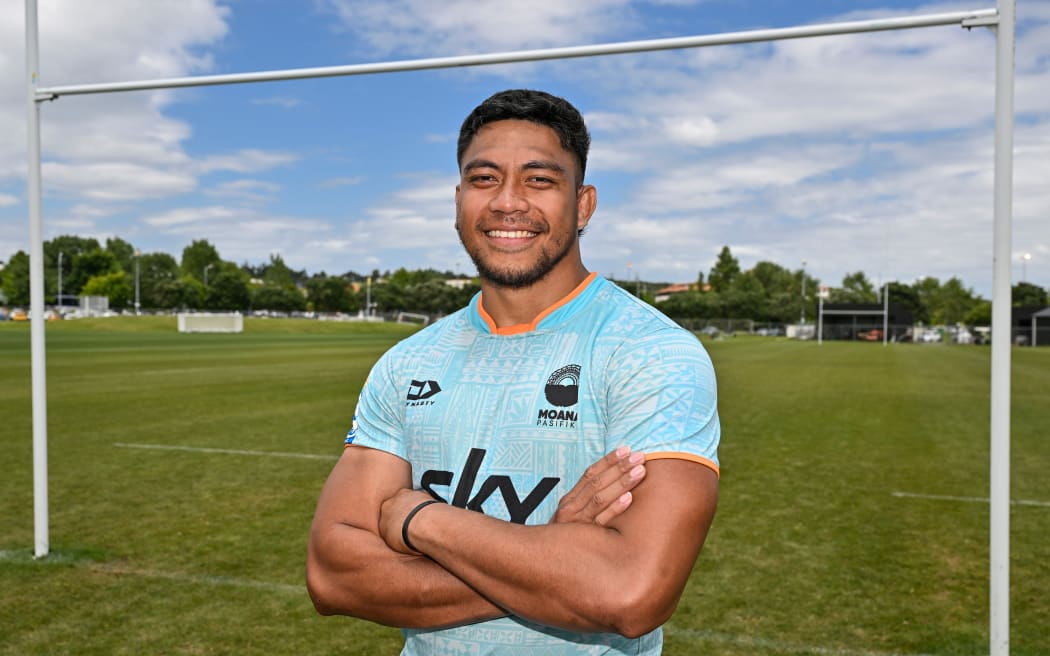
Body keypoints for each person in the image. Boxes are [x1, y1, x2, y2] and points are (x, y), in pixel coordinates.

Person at [307, 88, 720, 655]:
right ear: (458, 200)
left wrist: (420, 521)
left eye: (539, 180)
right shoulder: (407, 363)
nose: (508, 202)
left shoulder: (650, 352)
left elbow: (630, 593)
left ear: (583, 204)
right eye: (484, 179)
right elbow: (333, 575)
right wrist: (553, 552)